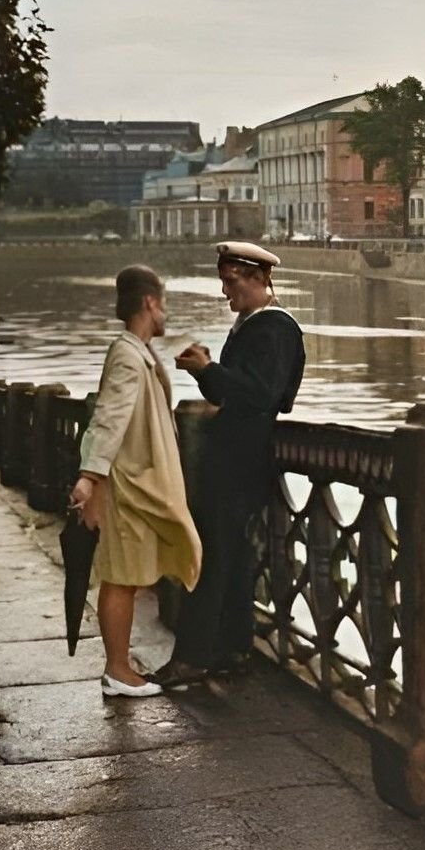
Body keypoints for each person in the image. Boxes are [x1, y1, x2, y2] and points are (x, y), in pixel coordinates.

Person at [153, 241, 305, 687]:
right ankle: (233, 649)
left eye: (232, 281)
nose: (225, 292)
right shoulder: (252, 324)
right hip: (237, 453)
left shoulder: (275, 327)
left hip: (242, 456)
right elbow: (228, 393)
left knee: (211, 558)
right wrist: (206, 371)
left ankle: (194, 655)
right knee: (233, 557)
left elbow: (261, 394)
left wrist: (209, 370)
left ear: (260, 278)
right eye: (223, 281)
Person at [70, 265, 202, 697]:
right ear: (149, 302)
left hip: (134, 482)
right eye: (162, 303)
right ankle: (117, 670)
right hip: (129, 485)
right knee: (121, 576)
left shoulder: (137, 351)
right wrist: (90, 477)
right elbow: (108, 417)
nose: (165, 312)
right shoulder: (129, 355)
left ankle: (119, 667)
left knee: (126, 574)